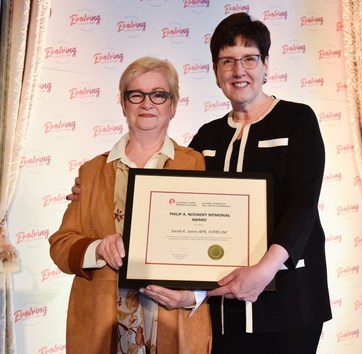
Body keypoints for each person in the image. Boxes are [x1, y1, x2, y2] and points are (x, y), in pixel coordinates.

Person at [69, 12, 332, 354]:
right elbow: (170, 196)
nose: (239, 71)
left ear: (266, 64)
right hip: (224, 308)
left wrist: (265, 270)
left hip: (290, 302)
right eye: (227, 61)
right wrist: (91, 188)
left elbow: (303, 203)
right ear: (215, 71)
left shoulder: (297, 120)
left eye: (249, 59)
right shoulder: (207, 136)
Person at [49, 57, 212, 354]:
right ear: (123, 104)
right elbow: (61, 246)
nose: (147, 103)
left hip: (174, 322)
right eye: (135, 94)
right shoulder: (91, 171)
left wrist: (194, 294)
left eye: (159, 94)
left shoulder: (196, 164)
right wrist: (97, 247)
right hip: (103, 325)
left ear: (173, 105)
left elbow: (214, 248)